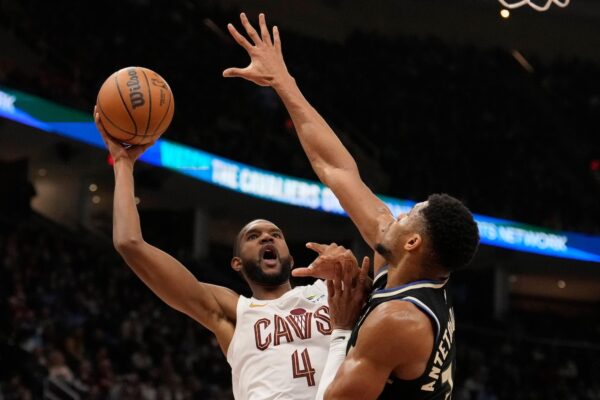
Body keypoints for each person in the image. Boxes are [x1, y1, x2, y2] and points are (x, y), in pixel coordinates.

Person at [223, 13, 480, 399]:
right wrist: (283, 82)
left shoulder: (398, 320)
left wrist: (343, 325)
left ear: (412, 243)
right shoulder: (402, 263)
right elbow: (337, 169)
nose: (397, 216)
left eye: (408, 216)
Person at [93, 108, 369, 400]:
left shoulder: (331, 292)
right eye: (253, 236)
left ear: (290, 256)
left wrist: (350, 270)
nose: (266, 236)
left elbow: (397, 271)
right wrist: (123, 163)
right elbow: (129, 243)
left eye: (276, 234)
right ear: (237, 262)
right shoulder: (233, 312)